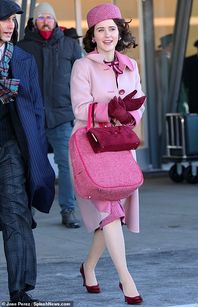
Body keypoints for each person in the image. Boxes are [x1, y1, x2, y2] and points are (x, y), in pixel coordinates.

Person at [70, 3, 145, 305]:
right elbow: (78, 107)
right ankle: (126, 279)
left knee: (114, 214)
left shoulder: (131, 65)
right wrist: (108, 111)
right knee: (110, 213)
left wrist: (128, 114)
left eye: (112, 28)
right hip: (92, 145)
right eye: (100, 30)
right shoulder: (83, 66)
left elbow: (138, 105)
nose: (107, 34)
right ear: (92, 36)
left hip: (121, 146)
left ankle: (88, 267)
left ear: (120, 31)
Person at [0, 0, 55, 303]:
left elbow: (36, 108)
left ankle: (19, 290)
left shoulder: (22, 59)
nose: (10, 25)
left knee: (16, 216)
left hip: (11, 148)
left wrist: (37, 149)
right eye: (4, 20)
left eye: (13, 20)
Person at [17, 2, 82, 228]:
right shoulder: (23, 46)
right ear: (34, 21)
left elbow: (81, 81)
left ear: (55, 21)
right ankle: (30, 211)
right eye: (41, 17)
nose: (45, 20)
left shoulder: (70, 46)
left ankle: (68, 210)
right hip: (32, 118)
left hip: (62, 117)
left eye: (49, 17)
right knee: (32, 165)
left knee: (66, 165)